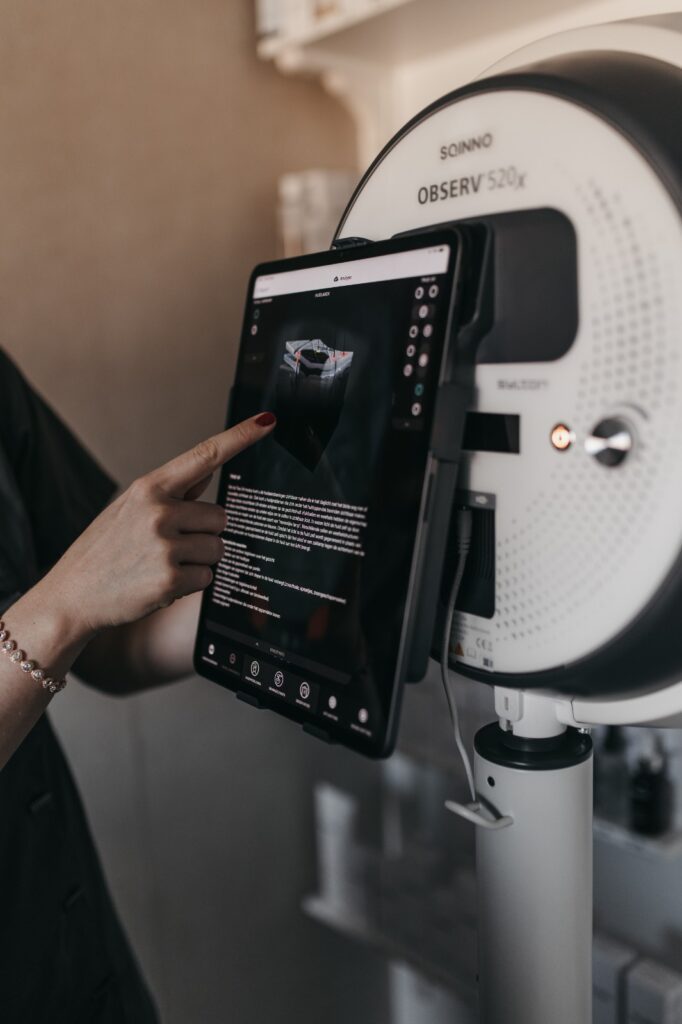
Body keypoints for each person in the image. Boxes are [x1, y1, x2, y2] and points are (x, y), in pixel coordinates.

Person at [0, 348, 276, 1022]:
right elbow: (74, 605)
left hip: (74, 951)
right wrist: (59, 611)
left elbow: (109, 640)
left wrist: (278, 588)